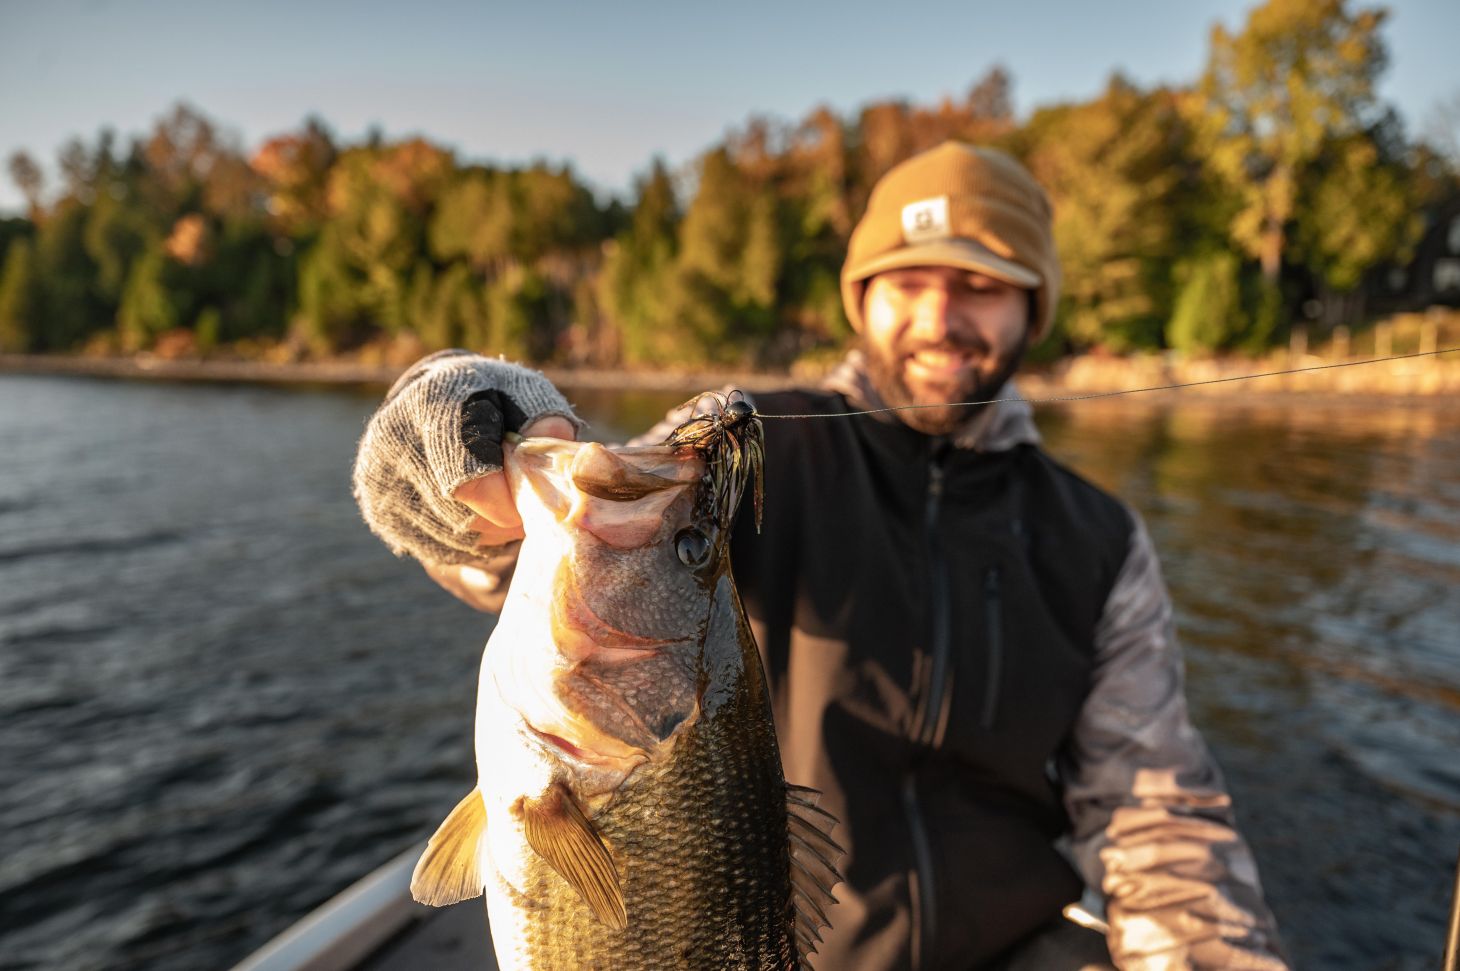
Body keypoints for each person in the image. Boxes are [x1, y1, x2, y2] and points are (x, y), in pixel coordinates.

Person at [352, 142, 1288, 970]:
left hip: (1019, 941)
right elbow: (520, 554)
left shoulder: (1100, 538)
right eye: (910, 281)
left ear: (1032, 307)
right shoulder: (751, 448)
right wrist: (464, 440)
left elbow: (1155, 810)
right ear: (862, 295)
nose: (941, 316)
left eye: (982, 283)